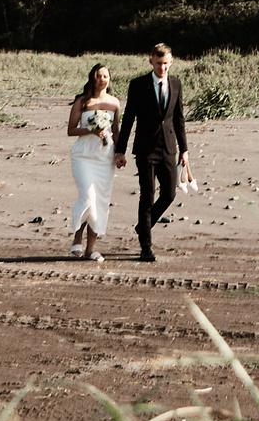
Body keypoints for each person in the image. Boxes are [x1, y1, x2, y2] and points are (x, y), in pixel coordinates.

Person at [111, 41, 191, 262]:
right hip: (145, 149)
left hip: (169, 148)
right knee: (147, 196)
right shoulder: (138, 85)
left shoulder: (176, 84)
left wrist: (184, 150)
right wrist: (121, 150)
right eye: (158, 64)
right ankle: (146, 247)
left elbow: (179, 118)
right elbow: (128, 119)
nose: (162, 68)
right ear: (151, 62)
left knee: (169, 194)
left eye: (165, 64)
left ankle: (142, 226)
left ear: (171, 62)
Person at [64, 63, 122, 262]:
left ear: (109, 79)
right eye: (99, 75)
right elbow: (71, 130)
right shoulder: (82, 102)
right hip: (84, 155)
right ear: (92, 78)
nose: (102, 79)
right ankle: (77, 237)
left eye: (106, 76)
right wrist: (90, 130)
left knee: (100, 202)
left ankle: (90, 249)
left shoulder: (114, 103)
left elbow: (116, 131)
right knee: (88, 198)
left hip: (105, 157)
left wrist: (120, 154)